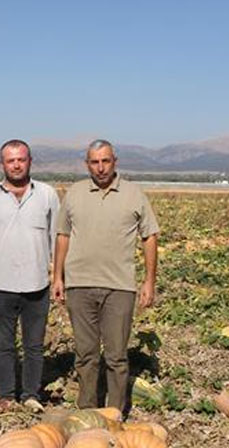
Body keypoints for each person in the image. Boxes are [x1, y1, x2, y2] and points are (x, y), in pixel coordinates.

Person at [51, 139, 159, 412]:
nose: (100, 167)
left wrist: (149, 281)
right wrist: (58, 277)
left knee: (116, 357)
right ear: (87, 164)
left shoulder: (134, 194)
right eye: (94, 162)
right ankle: (87, 412)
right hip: (79, 285)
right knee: (86, 355)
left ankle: (114, 414)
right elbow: (62, 235)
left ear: (115, 162)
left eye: (105, 161)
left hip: (119, 287)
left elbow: (149, 237)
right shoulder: (74, 193)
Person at [0, 139, 60, 411]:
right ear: (2, 164)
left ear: (30, 161)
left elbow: (56, 238)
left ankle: (31, 395)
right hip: (1, 284)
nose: (16, 164)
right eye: (10, 160)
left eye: (21, 159)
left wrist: (57, 275)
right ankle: (5, 394)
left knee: (34, 345)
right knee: (3, 345)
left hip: (37, 283)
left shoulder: (47, 194)